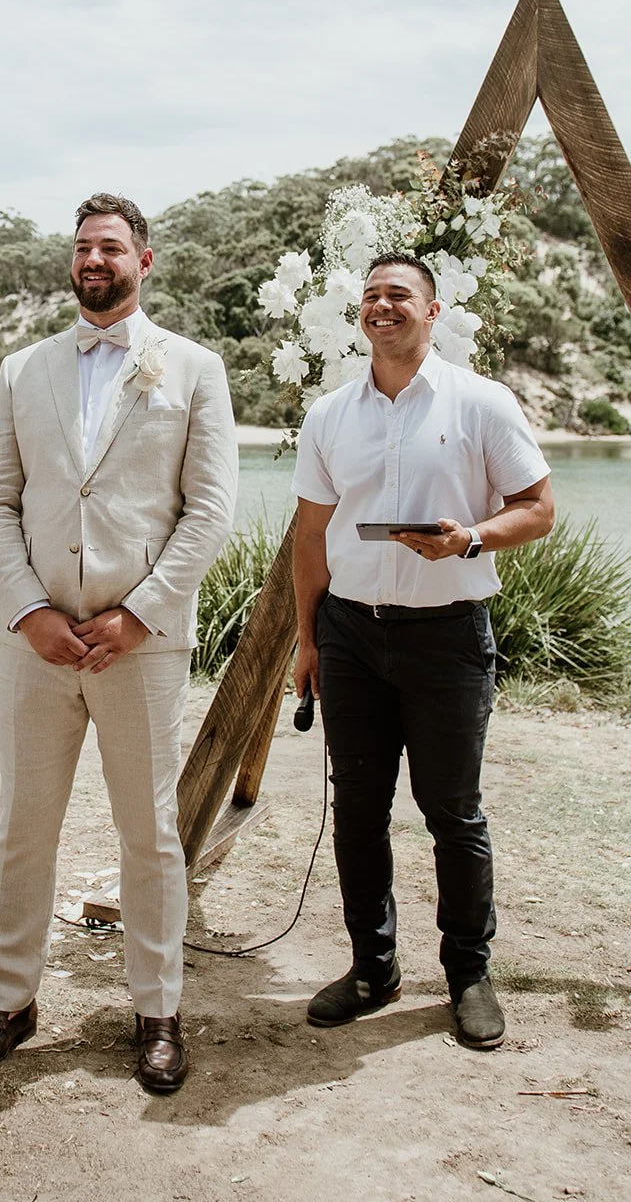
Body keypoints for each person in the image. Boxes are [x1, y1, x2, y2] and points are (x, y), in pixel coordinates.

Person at [0, 193, 238, 1094]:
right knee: (21, 827)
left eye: (109, 247)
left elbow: (209, 511)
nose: (92, 260)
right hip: (33, 646)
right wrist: (27, 609)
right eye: (81, 247)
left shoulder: (193, 368)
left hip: (140, 647)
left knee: (148, 833)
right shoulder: (21, 368)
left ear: (142, 262)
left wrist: (140, 612)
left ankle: (157, 1010)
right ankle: (8, 998)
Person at [292, 251, 554, 1050]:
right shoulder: (328, 415)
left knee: (452, 812)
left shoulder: (482, 402)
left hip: (447, 636)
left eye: (398, 295)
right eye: (370, 295)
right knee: (357, 811)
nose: (381, 306)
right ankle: (372, 969)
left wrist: (468, 539)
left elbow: (538, 509)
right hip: (348, 634)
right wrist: (306, 640)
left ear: (432, 311)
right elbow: (310, 536)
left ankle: (468, 975)